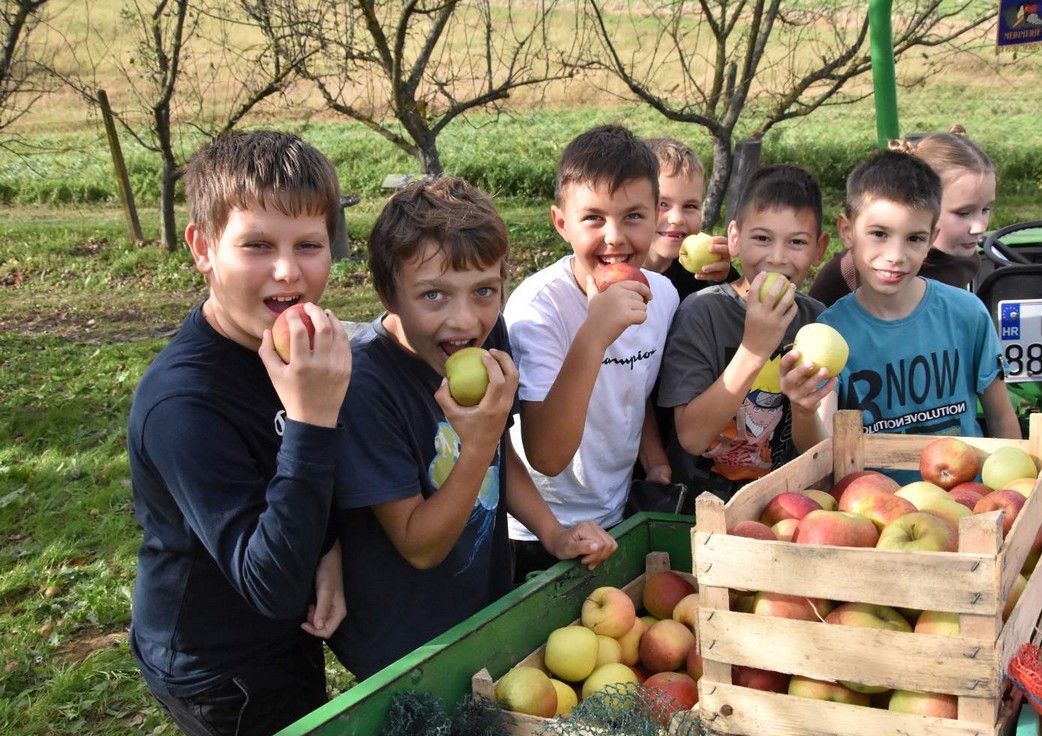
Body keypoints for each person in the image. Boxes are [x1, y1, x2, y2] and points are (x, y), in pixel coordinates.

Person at [329, 176, 617, 679]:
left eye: (484, 290)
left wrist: (553, 533)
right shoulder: (365, 388)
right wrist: (478, 441)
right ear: (387, 293)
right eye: (434, 295)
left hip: (481, 610)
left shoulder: (487, 337)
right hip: (405, 650)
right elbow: (420, 546)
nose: (464, 320)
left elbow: (500, 456)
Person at [127, 130, 351, 736]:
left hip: (281, 629)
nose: (289, 270)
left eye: (308, 245)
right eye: (257, 245)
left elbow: (295, 471)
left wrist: (329, 544)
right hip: (220, 665)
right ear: (203, 247)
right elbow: (272, 587)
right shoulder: (183, 405)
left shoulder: (288, 345)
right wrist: (313, 417)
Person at [506, 124, 680, 581]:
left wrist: (655, 460)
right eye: (594, 218)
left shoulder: (661, 296)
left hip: (614, 514)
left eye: (634, 216)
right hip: (535, 530)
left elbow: (632, 385)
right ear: (561, 223)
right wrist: (593, 335)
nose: (615, 237)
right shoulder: (537, 309)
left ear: (657, 218)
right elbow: (545, 455)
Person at [657, 164, 838, 503]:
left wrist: (803, 409)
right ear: (735, 239)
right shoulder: (701, 313)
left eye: (797, 242)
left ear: (819, 248)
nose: (777, 257)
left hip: (784, 507)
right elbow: (692, 438)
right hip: (699, 509)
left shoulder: (818, 322)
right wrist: (755, 348)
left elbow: (822, 455)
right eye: (761, 238)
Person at [818, 149, 1020, 439]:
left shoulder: (967, 313)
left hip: (968, 484)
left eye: (914, 238)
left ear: (931, 240)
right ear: (847, 231)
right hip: (868, 484)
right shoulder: (832, 331)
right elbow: (823, 444)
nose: (895, 256)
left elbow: (1001, 419)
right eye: (879, 234)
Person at [809, 124, 995, 306]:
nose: (980, 226)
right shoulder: (848, 271)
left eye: (986, 209)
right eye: (963, 213)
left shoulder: (965, 261)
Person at [642, 137, 733, 300]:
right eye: (662, 204)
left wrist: (724, 279)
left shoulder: (702, 275)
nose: (677, 219)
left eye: (690, 206)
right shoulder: (612, 272)